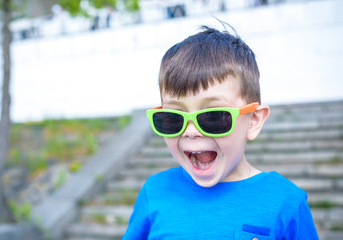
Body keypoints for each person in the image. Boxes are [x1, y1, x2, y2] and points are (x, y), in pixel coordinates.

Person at [122, 23, 319, 239]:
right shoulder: (155, 191)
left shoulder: (287, 201)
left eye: (213, 116)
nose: (191, 131)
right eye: (173, 118)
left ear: (253, 120)